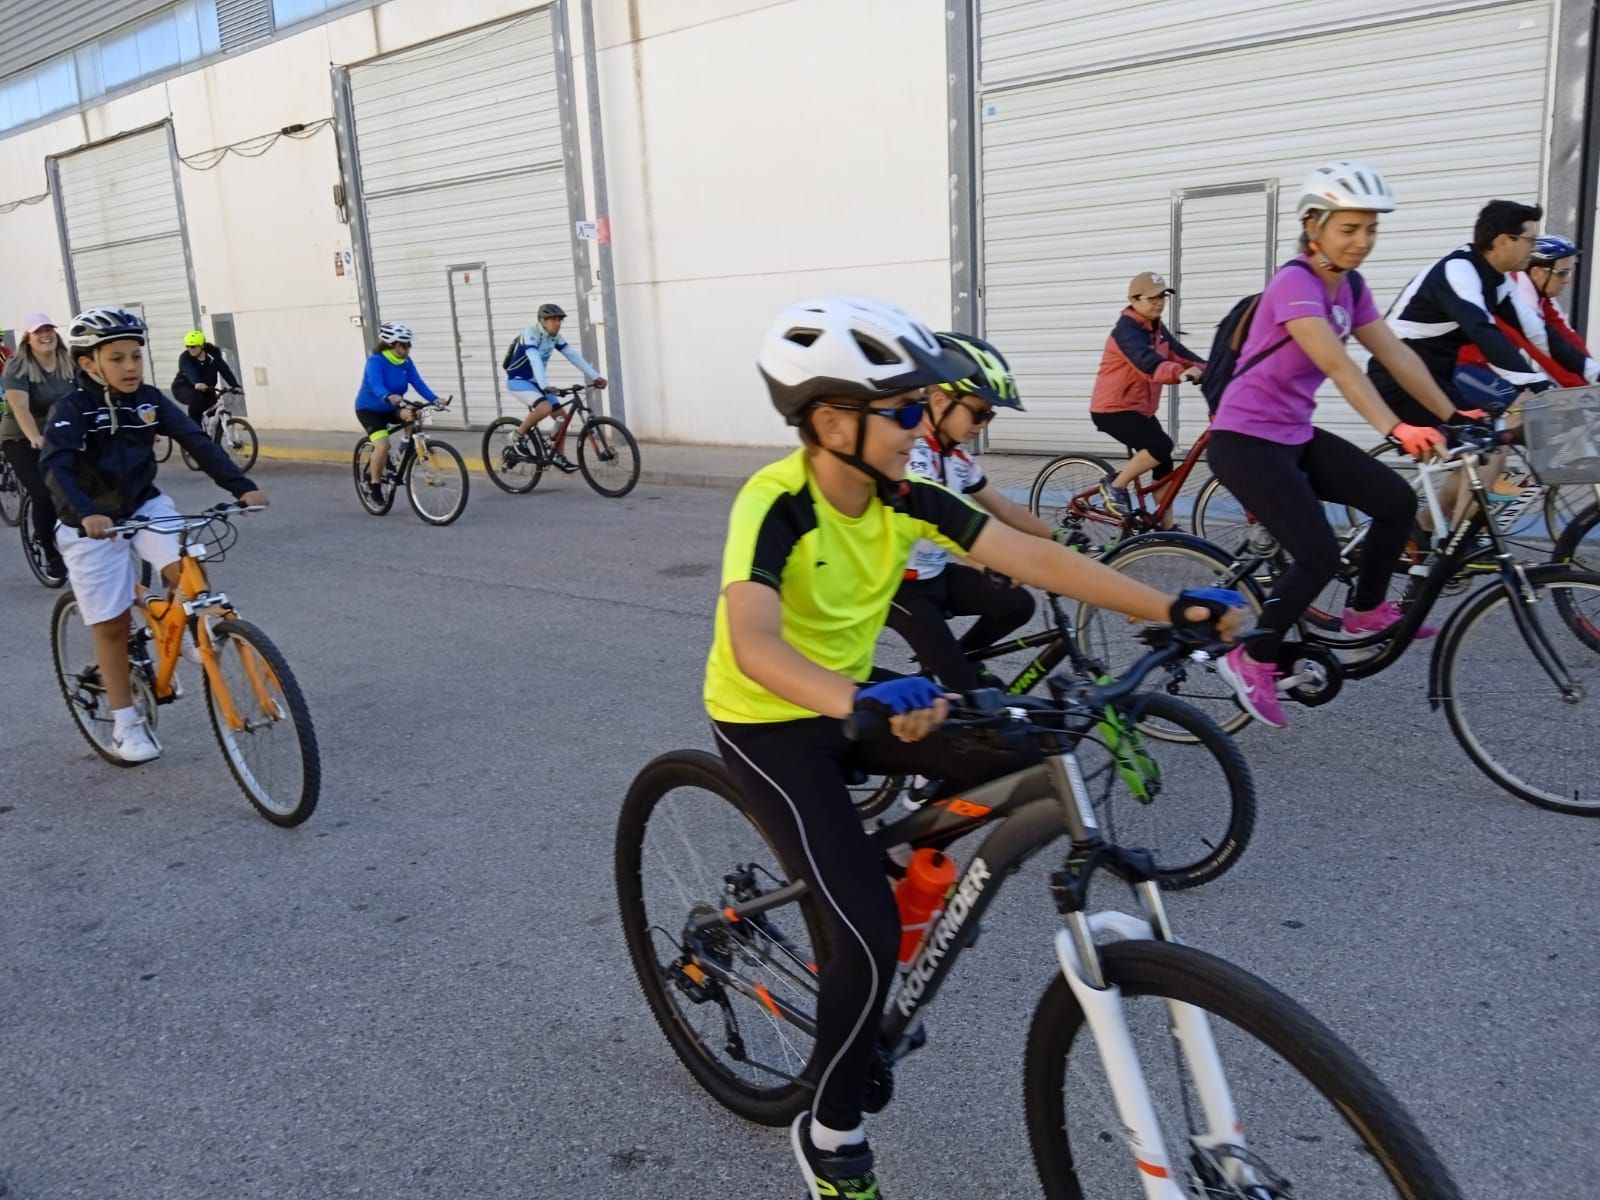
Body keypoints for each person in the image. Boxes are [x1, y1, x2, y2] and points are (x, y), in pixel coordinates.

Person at [706, 295, 1243, 1198]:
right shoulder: (778, 503)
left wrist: (1171, 605)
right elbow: (756, 641)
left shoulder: (904, 494)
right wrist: (859, 701)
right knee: (866, 940)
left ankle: (899, 876)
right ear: (834, 421)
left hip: (863, 702)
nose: (922, 425)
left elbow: (1032, 560)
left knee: (1018, 748)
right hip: (770, 719)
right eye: (906, 410)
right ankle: (829, 1131)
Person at [1206, 160, 1473, 730]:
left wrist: (1453, 414)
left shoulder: (1349, 286)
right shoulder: (1294, 283)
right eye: (1349, 229)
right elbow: (1337, 363)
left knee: (1395, 502)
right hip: (1244, 440)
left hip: (1294, 435)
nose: (1362, 242)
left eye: (1370, 229)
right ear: (1314, 227)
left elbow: (1395, 354)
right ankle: (1250, 657)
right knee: (1319, 555)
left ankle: (1365, 609)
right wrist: (1396, 429)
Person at [41, 308, 268, 764]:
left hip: (142, 503)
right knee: (112, 625)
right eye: (118, 358)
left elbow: (195, 441)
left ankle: (181, 627)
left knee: (185, 562)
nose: (131, 367)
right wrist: (86, 514)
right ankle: (126, 725)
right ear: (89, 364)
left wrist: (241, 487)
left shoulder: (148, 399)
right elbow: (56, 466)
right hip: (90, 522)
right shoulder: (72, 409)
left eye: (136, 357)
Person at [885, 331, 1066, 691]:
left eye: (990, 416)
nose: (983, 424)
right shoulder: (912, 455)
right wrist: (985, 562)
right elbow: (936, 526)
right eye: (979, 412)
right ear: (938, 400)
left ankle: (948, 667)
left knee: (1016, 605)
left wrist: (1060, 537)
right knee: (972, 693)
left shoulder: (958, 458)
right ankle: (952, 676)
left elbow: (1004, 509)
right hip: (900, 589)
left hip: (935, 577)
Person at [1368, 199, 1556, 421]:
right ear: (1504, 240)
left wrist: (1590, 372)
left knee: (1485, 435)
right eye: (1530, 240)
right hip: (1398, 377)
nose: (1533, 248)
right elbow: (1482, 330)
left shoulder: (1500, 281)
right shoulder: (1459, 271)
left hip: (1436, 377)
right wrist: (1530, 380)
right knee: (1471, 435)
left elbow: (1542, 335)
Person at [1089, 271, 1206, 521]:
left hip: (1139, 410)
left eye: (1163, 296)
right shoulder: (1125, 331)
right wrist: (1180, 373)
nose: (1159, 302)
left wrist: (1216, 369)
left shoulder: (1157, 329)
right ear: (1134, 299)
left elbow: (1180, 354)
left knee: (1164, 464)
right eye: (1152, 298)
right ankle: (1115, 486)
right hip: (1112, 409)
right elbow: (1147, 362)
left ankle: (1165, 526)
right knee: (1160, 445)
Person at [1, 313, 76, 578]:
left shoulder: (69, 362)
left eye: (49, 329)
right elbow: (20, 408)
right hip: (21, 437)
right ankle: (50, 552)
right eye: (38, 331)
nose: (46, 335)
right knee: (44, 493)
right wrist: (34, 436)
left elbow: (88, 398)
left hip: (59, 433)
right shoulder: (17, 365)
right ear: (28, 338)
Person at [503, 303, 606, 471]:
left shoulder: (555, 337)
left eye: (559, 320)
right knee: (545, 408)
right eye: (553, 320)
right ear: (542, 321)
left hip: (537, 382)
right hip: (518, 380)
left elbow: (573, 356)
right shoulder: (530, 333)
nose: (557, 324)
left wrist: (596, 376)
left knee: (562, 418)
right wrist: (544, 385)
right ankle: (517, 435)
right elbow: (534, 359)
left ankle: (559, 456)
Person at [354, 321, 438, 504]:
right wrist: (386, 395)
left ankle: (402, 451)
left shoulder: (406, 362)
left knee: (413, 414)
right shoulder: (376, 361)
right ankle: (374, 484)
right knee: (382, 446)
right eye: (404, 344)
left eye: (409, 344)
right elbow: (376, 385)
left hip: (391, 406)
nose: (408, 348)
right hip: (369, 409)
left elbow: (418, 382)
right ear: (391, 345)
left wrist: (435, 399)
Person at [171, 329, 242, 427]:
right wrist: (197, 382)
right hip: (183, 387)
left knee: (213, 408)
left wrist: (235, 386)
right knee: (197, 398)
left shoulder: (213, 357)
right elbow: (190, 370)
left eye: (193, 346)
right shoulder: (185, 357)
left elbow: (225, 371)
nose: (190, 349)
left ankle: (214, 437)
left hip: (206, 389)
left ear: (202, 346)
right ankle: (195, 430)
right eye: (187, 346)